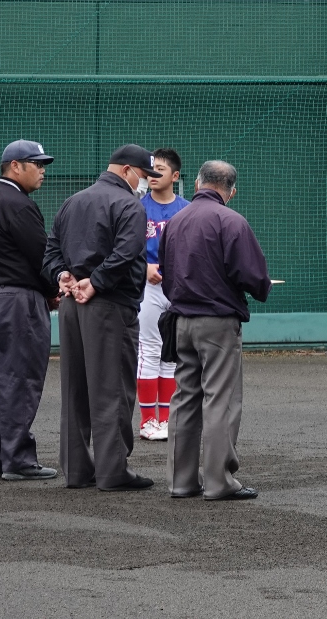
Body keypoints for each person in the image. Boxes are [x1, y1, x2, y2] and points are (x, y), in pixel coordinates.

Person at [42, 144, 161, 491]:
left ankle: (77, 471)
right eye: (143, 174)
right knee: (112, 388)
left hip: (70, 305)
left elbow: (50, 250)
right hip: (109, 305)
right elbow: (127, 252)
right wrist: (95, 282)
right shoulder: (129, 204)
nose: (145, 182)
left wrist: (62, 275)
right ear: (126, 170)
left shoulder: (72, 201)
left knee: (75, 389)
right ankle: (113, 471)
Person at [159, 160, 271, 500]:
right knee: (220, 399)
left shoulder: (175, 220)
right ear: (231, 191)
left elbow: (166, 271)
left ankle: (181, 481)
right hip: (218, 323)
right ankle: (219, 482)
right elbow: (253, 277)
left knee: (184, 398)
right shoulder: (231, 221)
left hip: (181, 321)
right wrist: (262, 288)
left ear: (197, 183)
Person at [0, 140, 60, 481]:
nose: (42, 170)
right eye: (36, 164)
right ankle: (18, 459)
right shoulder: (18, 203)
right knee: (21, 378)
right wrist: (53, 291)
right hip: (17, 302)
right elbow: (42, 257)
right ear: (15, 166)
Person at [136, 148, 190, 442]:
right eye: (151, 169)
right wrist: (143, 266)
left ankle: (167, 419)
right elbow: (125, 247)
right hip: (148, 287)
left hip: (178, 287)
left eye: (161, 169)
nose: (153, 174)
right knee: (149, 350)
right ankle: (147, 420)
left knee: (171, 353)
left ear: (175, 176)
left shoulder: (186, 209)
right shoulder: (137, 207)